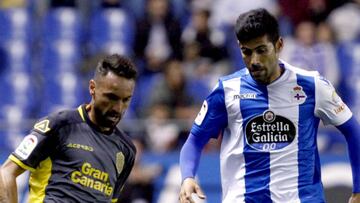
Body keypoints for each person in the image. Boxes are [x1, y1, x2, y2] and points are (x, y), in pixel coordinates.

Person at [179, 8, 360, 203]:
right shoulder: (227, 90)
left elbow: (353, 131)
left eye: (261, 50)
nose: (254, 60)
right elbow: (195, 140)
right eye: (246, 52)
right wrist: (187, 177)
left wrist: (358, 189)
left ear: (279, 44)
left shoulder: (312, 85)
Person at [0, 54, 138, 203]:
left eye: (126, 100)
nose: (118, 108)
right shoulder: (59, 125)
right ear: (92, 88)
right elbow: (7, 172)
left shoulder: (126, 150)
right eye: (112, 97)